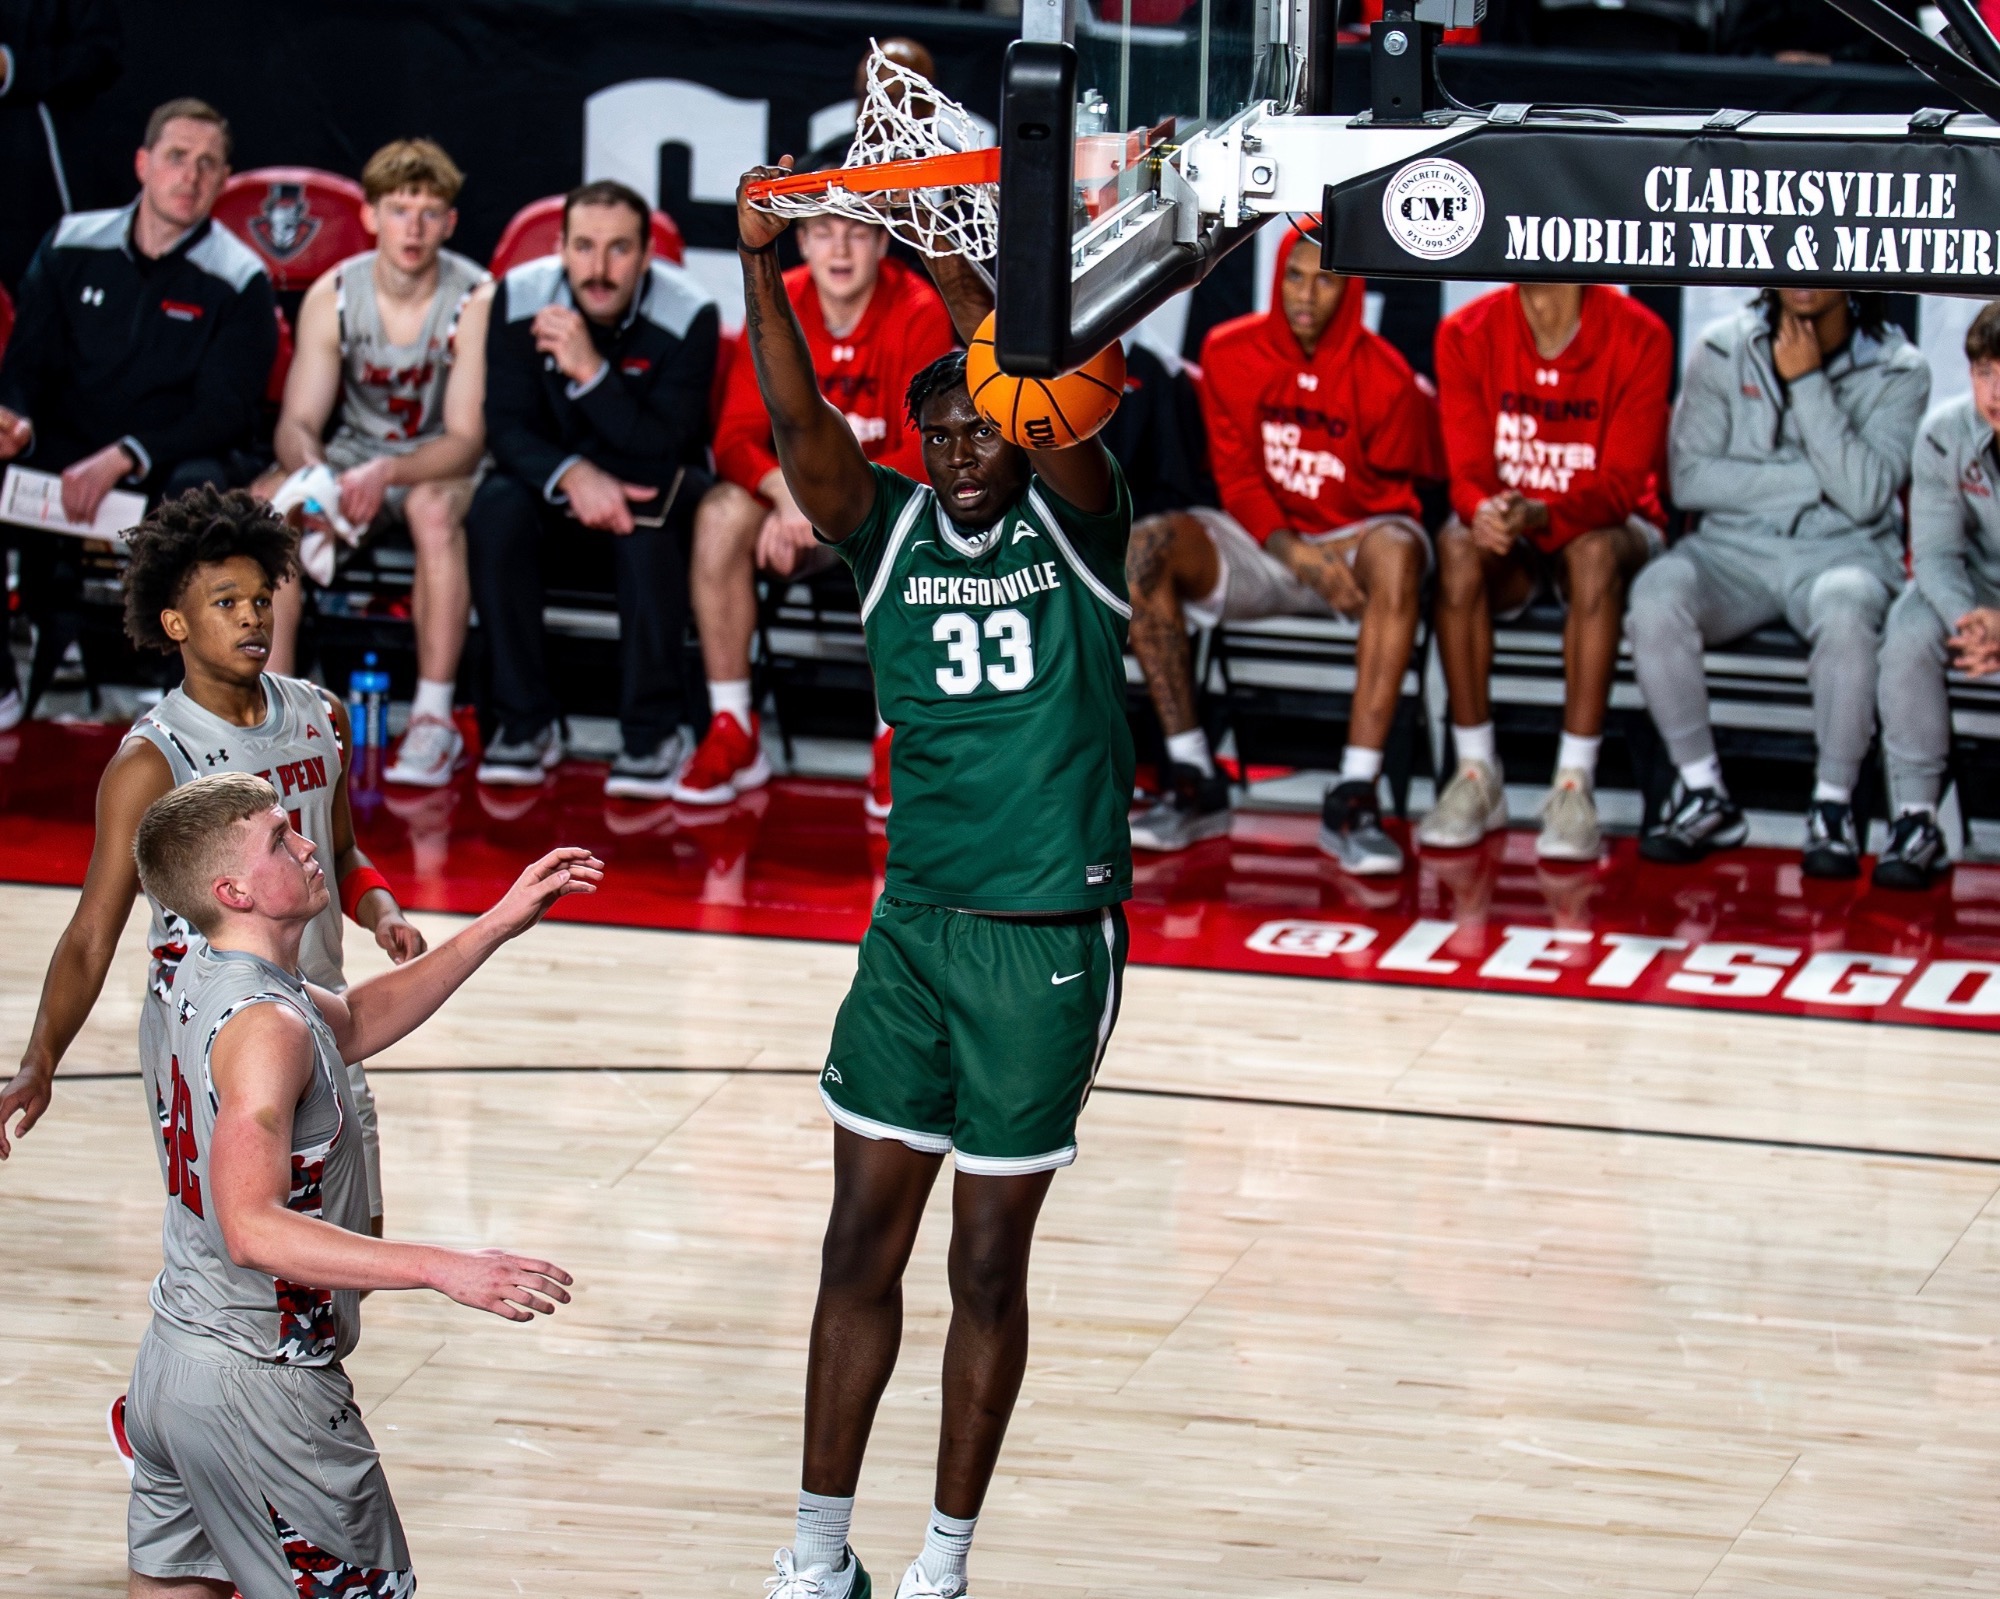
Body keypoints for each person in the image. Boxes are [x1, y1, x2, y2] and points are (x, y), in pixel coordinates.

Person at [737, 160, 1133, 1599]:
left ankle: (943, 1563)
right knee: (859, 1240)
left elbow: (1034, 383)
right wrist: (759, 260)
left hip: (1043, 934)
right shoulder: (890, 529)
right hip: (912, 928)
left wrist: (950, 265)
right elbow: (792, 423)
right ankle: (816, 1551)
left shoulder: (1080, 526)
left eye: (984, 422)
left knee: (983, 1260)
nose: (965, 442)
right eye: (942, 429)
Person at [118, 770, 591, 1599]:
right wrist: (446, 1266)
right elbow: (252, 1227)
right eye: (279, 839)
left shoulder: (206, 974)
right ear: (232, 888)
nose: (309, 844)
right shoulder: (266, 1027)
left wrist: (497, 924)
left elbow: (359, 1021)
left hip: (173, 1365)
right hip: (259, 1388)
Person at [0, 489, 425, 1260]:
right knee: (246, 1269)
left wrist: (383, 911)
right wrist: (40, 1058)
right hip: (216, 1039)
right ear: (175, 622)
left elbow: (344, 849)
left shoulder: (322, 716)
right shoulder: (151, 760)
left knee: (353, 1259)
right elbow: (93, 933)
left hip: (327, 1022)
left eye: (260, 599)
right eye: (225, 601)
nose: (252, 617)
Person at [1126, 223, 1441, 869]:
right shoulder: (1229, 349)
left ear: (1350, 289)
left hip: (1353, 543)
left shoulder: (1388, 380)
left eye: (1324, 279)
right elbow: (1237, 480)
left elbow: (1398, 501)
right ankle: (1192, 776)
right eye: (1294, 276)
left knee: (1399, 554)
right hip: (1262, 541)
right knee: (1145, 549)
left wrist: (1335, 549)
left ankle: (1356, 789)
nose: (1305, 294)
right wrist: (1298, 554)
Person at [1629, 289, 1928, 876]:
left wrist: (1810, 383)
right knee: (1657, 593)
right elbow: (1689, 480)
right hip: (1732, 551)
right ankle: (1702, 790)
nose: (1804, 273)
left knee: (1848, 606)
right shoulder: (1722, 347)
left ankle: (1833, 805)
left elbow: (1867, 497)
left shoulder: (1901, 369)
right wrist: (1813, 479)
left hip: (1843, 552)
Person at [0, 97, 276, 728]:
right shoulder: (71, 241)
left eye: (210, 165)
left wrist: (128, 453)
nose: (192, 176)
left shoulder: (241, 277)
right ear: (143, 163)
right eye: (177, 157)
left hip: (168, 455)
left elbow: (226, 411)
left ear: (225, 182)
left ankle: (177, 686)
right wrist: (11, 418)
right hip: (65, 443)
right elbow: (27, 363)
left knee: (201, 495)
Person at [675, 190, 954, 812]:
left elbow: (927, 450)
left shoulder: (918, 309)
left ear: (882, 243)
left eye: (857, 233)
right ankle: (733, 729)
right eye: (824, 232)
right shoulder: (777, 300)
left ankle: (895, 736)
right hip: (792, 508)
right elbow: (735, 437)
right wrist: (785, 495)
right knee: (720, 514)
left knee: (914, 529)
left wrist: (827, 505)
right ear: (801, 241)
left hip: (874, 505)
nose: (841, 248)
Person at [254, 138, 491, 787]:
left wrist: (385, 473)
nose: (412, 227)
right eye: (398, 209)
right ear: (369, 215)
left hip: (437, 461)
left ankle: (433, 718)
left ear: (449, 222)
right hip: (355, 454)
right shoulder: (333, 292)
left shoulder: (475, 295)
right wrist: (317, 477)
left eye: (428, 211)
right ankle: (264, 712)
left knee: (432, 511)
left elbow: (468, 437)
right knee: (264, 510)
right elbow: (297, 422)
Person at [469, 178, 718, 797]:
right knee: (494, 506)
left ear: (646, 255)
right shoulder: (519, 297)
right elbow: (506, 427)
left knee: (648, 518)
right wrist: (573, 475)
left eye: (618, 249)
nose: (598, 268)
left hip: (648, 484)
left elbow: (666, 444)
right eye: (582, 247)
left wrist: (591, 373)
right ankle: (525, 724)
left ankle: (652, 731)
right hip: (556, 484)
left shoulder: (690, 313)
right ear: (560, 246)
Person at [1424, 282, 1672, 862]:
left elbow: (1620, 488)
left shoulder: (1641, 333)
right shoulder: (1465, 331)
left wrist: (1545, 513)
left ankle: (1572, 785)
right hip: (1515, 527)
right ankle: (1476, 772)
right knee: (1457, 548)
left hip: (1613, 526)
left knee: (1592, 558)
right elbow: (1465, 474)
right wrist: (1483, 510)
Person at [1873, 299, 2000, 890]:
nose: (1995, 391)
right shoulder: (1945, 434)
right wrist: (1972, 620)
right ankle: (1916, 819)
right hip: (1976, 595)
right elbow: (1935, 556)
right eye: (1984, 373)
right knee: (1909, 622)